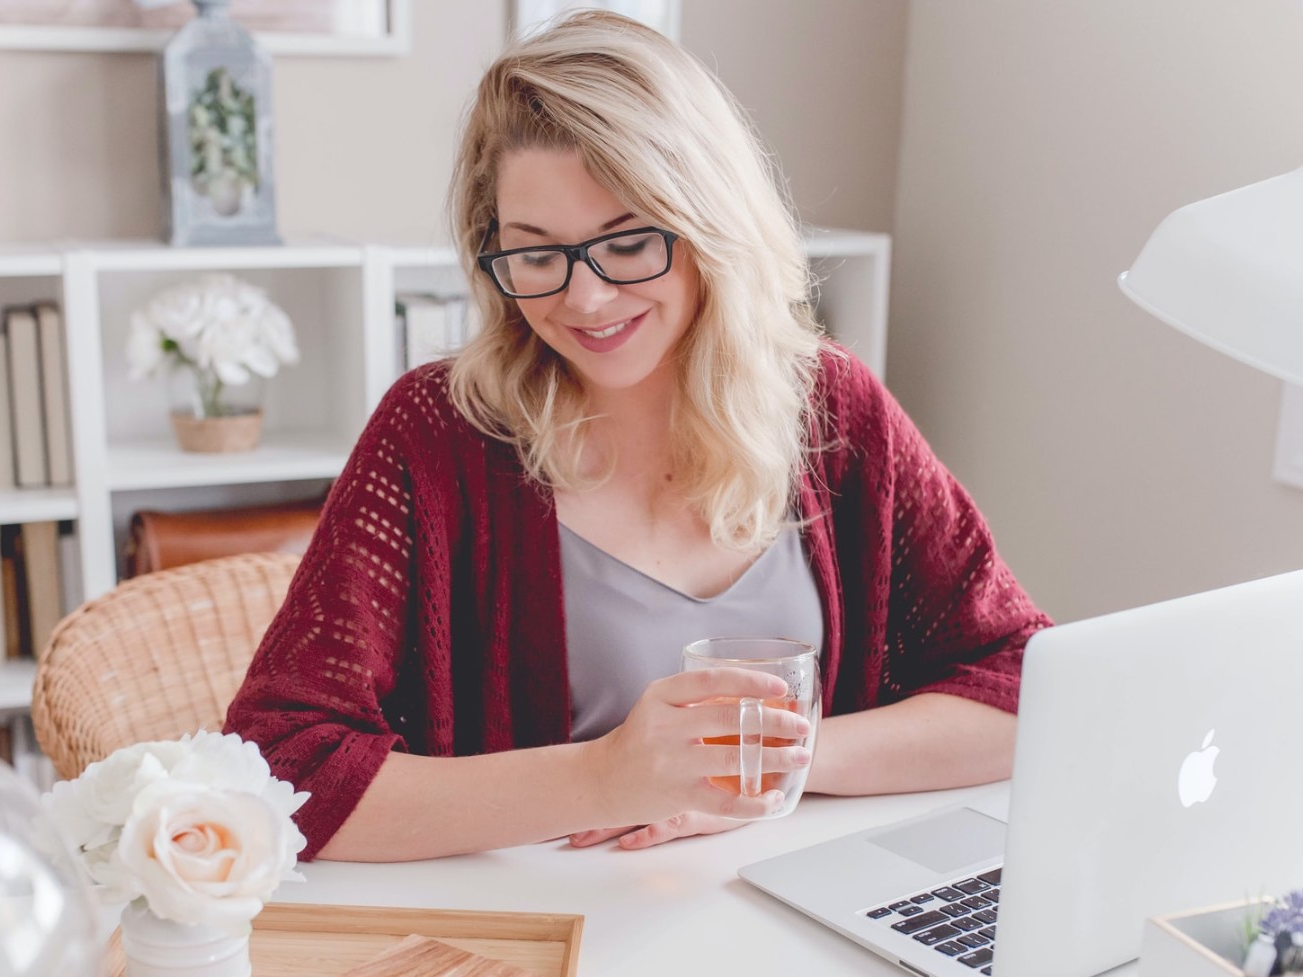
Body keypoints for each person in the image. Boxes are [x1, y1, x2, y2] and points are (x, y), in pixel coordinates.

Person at [224, 11, 1050, 862]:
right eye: (535, 253)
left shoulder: (831, 410)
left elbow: (1028, 684)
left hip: (788, 919)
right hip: (543, 944)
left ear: (710, 226)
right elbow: (278, 768)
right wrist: (607, 776)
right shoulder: (436, 436)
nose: (583, 300)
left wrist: (765, 768)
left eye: (627, 242)